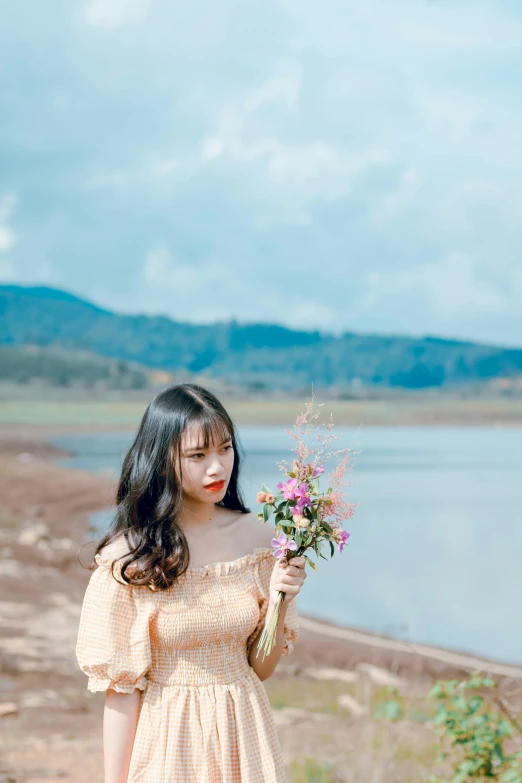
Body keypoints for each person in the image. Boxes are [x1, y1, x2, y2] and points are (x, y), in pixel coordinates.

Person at [75, 382, 306, 783]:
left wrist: (280, 598)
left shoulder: (260, 540)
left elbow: (261, 668)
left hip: (245, 735)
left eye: (225, 448)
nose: (217, 467)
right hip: (169, 740)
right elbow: (122, 692)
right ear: (161, 459)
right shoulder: (129, 558)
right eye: (197, 455)